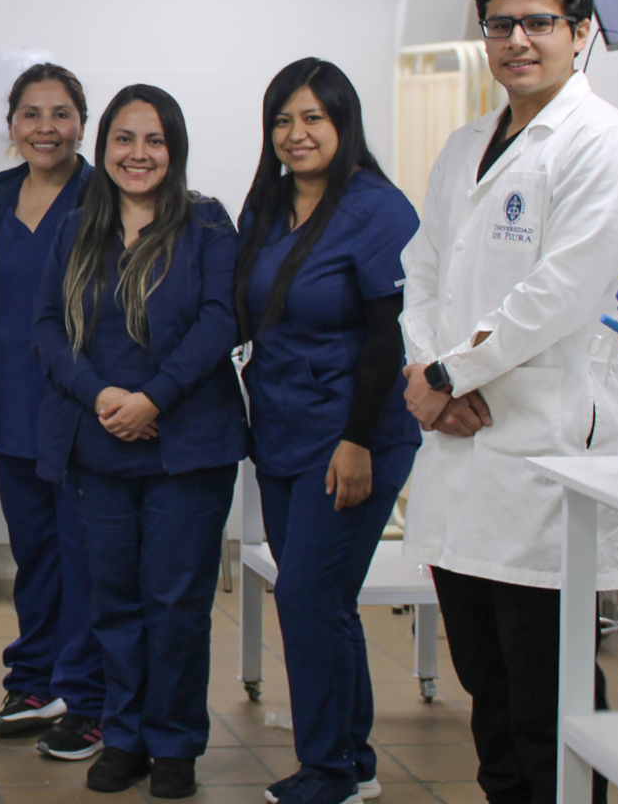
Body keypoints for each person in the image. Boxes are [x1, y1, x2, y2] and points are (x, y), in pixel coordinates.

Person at [401, 0, 618, 804]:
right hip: (460, 443)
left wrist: (448, 370)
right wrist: (426, 371)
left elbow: (561, 292)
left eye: (539, 22)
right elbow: (424, 268)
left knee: (548, 691)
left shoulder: (604, 145)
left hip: (545, 451)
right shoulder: (468, 142)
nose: (517, 40)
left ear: (581, 33)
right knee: (486, 685)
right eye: (500, 24)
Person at [32, 84, 247, 798]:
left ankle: (175, 743)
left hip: (188, 448)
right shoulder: (77, 227)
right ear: (104, 148)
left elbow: (221, 320)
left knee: (176, 605)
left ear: (174, 149)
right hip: (100, 444)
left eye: (154, 140)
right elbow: (46, 327)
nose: (138, 153)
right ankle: (124, 737)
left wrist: (154, 397)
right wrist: (100, 395)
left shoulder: (207, 223)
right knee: (115, 603)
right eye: (124, 139)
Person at [234, 59, 421, 804]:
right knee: (323, 600)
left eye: (313, 117)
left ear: (343, 122)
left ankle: (329, 769)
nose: (296, 133)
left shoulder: (379, 209)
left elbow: (387, 337)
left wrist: (357, 441)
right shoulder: (268, 204)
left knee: (307, 596)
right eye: (282, 119)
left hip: (353, 435)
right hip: (280, 430)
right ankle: (353, 758)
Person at [0, 62, 105, 758]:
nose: (45, 128)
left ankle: (86, 692)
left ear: (82, 122)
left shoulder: (104, 194)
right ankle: (35, 679)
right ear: (11, 123)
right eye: (31, 113)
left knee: (85, 553)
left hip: (80, 403)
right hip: (12, 400)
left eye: (60, 114)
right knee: (36, 552)